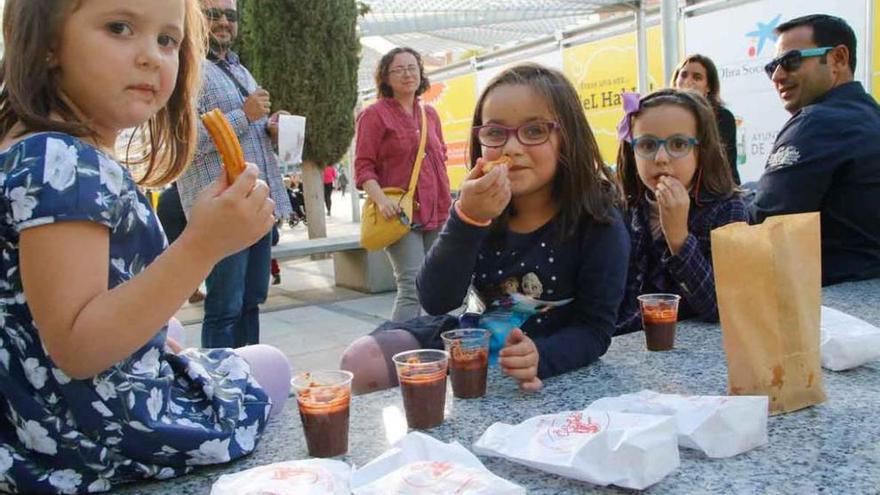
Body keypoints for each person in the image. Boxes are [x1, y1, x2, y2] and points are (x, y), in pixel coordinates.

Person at [0, 0, 292, 492]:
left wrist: (149, 334)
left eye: (167, 40)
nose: (152, 57)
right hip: (76, 437)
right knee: (270, 363)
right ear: (48, 42)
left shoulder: (36, 146)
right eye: (119, 28)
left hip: (32, 406)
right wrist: (203, 245)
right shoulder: (63, 161)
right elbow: (78, 343)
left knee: (179, 332)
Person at [341, 64, 630, 394]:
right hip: (473, 339)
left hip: (546, 351)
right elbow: (436, 300)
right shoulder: (479, 204)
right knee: (361, 361)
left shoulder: (597, 219)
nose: (511, 148)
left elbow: (595, 330)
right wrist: (467, 219)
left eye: (534, 131)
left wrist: (542, 357)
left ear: (568, 138)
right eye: (495, 133)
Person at [176, 0, 292, 348]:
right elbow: (184, 141)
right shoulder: (185, 71)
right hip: (223, 209)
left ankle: (248, 375)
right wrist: (244, 114)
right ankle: (218, 387)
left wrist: (271, 128)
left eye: (230, 16)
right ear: (194, 20)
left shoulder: (241, 70)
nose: (224, 22)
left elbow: (249, 132)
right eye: (213, 15)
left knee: (252, 300)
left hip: (257, 205)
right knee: (225, 306)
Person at [749, 14, 880, 285]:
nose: (777, 75)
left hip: (836, 304)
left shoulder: (816, 122)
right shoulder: (870, 116)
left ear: (838, 59)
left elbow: (764, 226)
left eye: (791, 60)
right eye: (772, 66)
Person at [614, 90, 748, 335]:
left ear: (701, 150)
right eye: (647, 144)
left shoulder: (727, 210)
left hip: (691, 351)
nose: (661, 158)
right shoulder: (622, 208)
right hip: (624, 345)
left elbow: (719, 309)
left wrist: (678, 238)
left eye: (678, 144)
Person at [354, 47, 452, 323]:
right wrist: (382, 200)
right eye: (399, 69)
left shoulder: (429, 114)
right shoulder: (374, 114)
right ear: (385, 77)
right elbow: (363, 167)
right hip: (399, 213)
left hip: (438, 211)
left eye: (412, 67)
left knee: (438, 285)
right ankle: (395, 350)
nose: (407, 74)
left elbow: (440, 158)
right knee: (412, 287)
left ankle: (433, 347)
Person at [672, 54, 740, 184]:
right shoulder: (663, 115)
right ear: (676, 81)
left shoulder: (722, 117)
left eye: (697, 77)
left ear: (708, 87)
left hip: (712, 193)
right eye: (684, 75)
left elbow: (728, 168)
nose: (688, 81)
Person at [156, 183, 205, 303]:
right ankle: (190, 291)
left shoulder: (167, 195)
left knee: (173, 252)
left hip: (167, 205)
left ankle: (189, 291)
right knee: (192, 254)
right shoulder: (191, 192)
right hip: (179, 207)